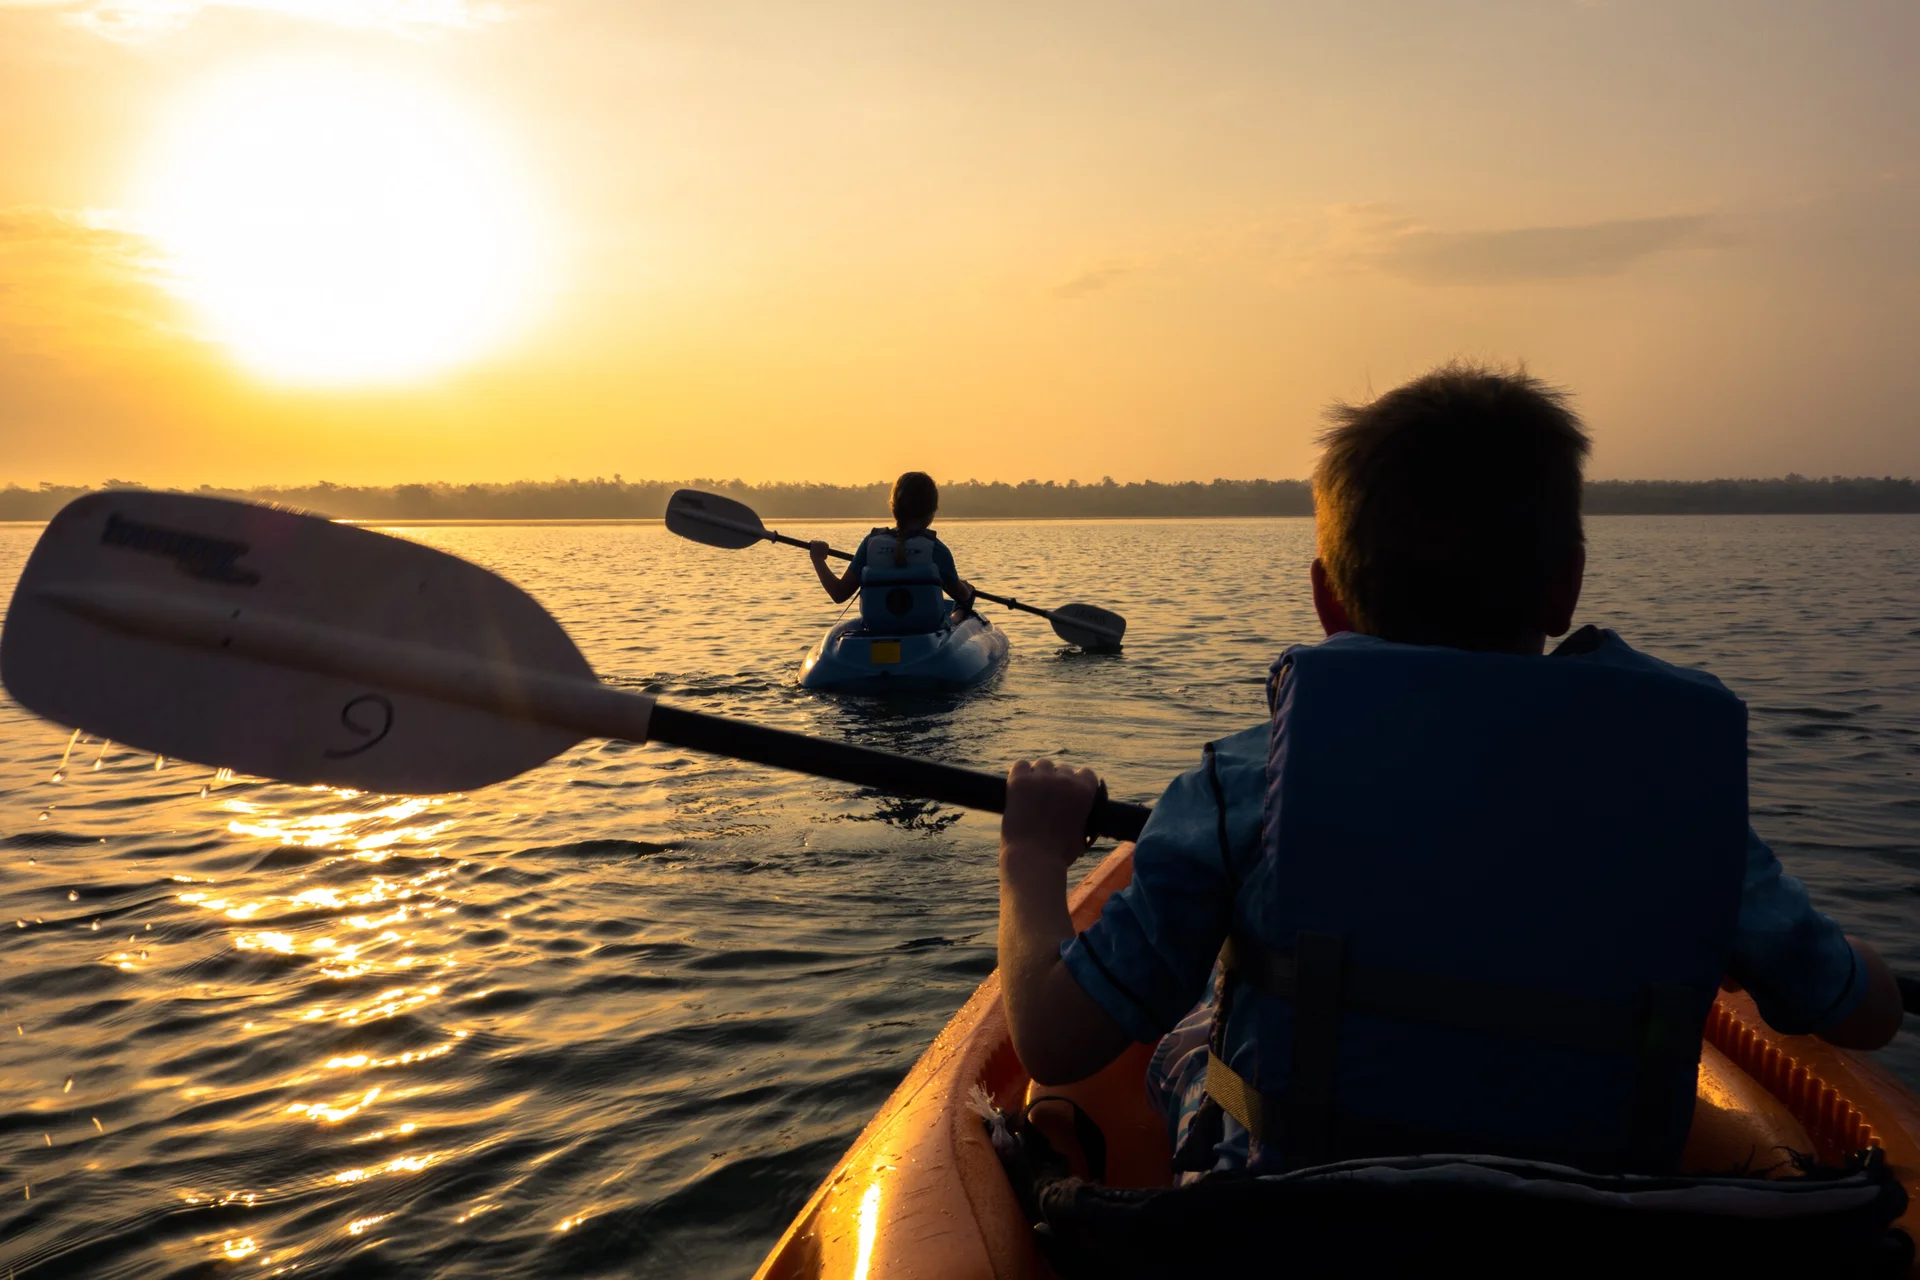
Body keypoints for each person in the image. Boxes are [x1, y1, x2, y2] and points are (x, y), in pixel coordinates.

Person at [994, 363, 1904, 1178]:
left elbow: (1055, 1042)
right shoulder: (1679, 807)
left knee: (1196, 1024)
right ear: (1566, 585)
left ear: (1327, 599)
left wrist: (1032, 856)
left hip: (1296, 1230)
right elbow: (1864, 1014)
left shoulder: (1242, 783)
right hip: (1593, 1226)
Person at [809, 470, 975, 615]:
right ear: (932, 511)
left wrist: (817, 559)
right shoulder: (936, 549)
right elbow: (962, 595)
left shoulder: (871, 544)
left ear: (894, 507)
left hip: (877, 627)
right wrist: (968, 590)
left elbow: (839, 594)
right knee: (963, 606)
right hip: (925, 630)